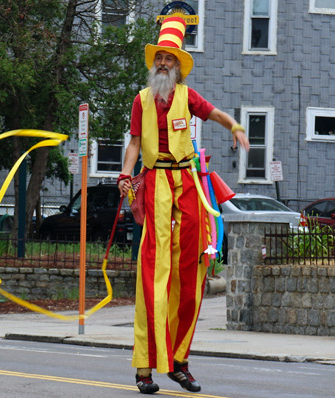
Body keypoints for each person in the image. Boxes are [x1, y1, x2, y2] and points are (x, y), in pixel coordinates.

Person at [117, 17, 249, 395]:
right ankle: (145, 368)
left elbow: (215, 113)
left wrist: (236, 128)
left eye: (168, 59)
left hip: (187, 181)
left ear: (177, 66)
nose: (162, 63)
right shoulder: (140, 100)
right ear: (152, 63)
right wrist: (125, 175)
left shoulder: (187, 96)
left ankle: (179, 362)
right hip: (155, 180)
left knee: (190, 271)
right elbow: (133, 144)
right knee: (154, 273)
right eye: (158, 57)